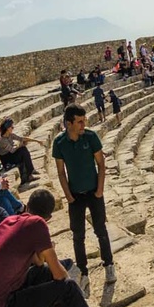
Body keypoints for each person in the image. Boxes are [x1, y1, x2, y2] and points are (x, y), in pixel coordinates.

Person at [53, 104, 115, 286]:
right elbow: (60, 172)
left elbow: (101, 164)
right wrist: (68, 196)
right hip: (75, 196)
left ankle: (109, 264)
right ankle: (83, 272)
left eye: (84, 120)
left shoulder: (91, 137)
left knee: (100, 230)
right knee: (78, 235)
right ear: (69, 123)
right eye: (79, 121)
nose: (83, 124)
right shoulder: (59, 142)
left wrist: (100, 189)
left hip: (94, 191)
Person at [0, 118, 39, 187]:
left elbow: (21, 138)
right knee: (23, 150)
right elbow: (12, 150)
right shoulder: (2, 140)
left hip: (10, 155)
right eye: (11, 127)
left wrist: (37, 141)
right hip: (7, 160)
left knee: (23, 150)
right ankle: (30, 173)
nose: (13, 128)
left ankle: (30, 172)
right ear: (7, 128)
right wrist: (20, 145)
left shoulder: (10, 135)